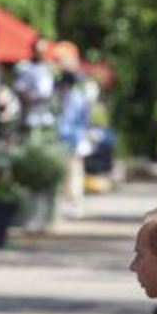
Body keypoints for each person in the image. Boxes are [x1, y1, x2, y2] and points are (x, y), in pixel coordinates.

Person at [55, 67, 91, 218]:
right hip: (75, 137)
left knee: (68, 172)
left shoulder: (64, 97)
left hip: (66, 138)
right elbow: (85, 120)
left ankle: (71, 202)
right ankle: (75, 202)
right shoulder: (79, 97)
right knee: (76, 171)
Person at [13, 38, 55, 133]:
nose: (41, 53)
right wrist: (32, 98)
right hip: (29, 117)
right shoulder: (25, 67)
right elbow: (20, 89)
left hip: (44, 117)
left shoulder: (48, 68)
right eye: (39, 50)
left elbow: (48, 90)